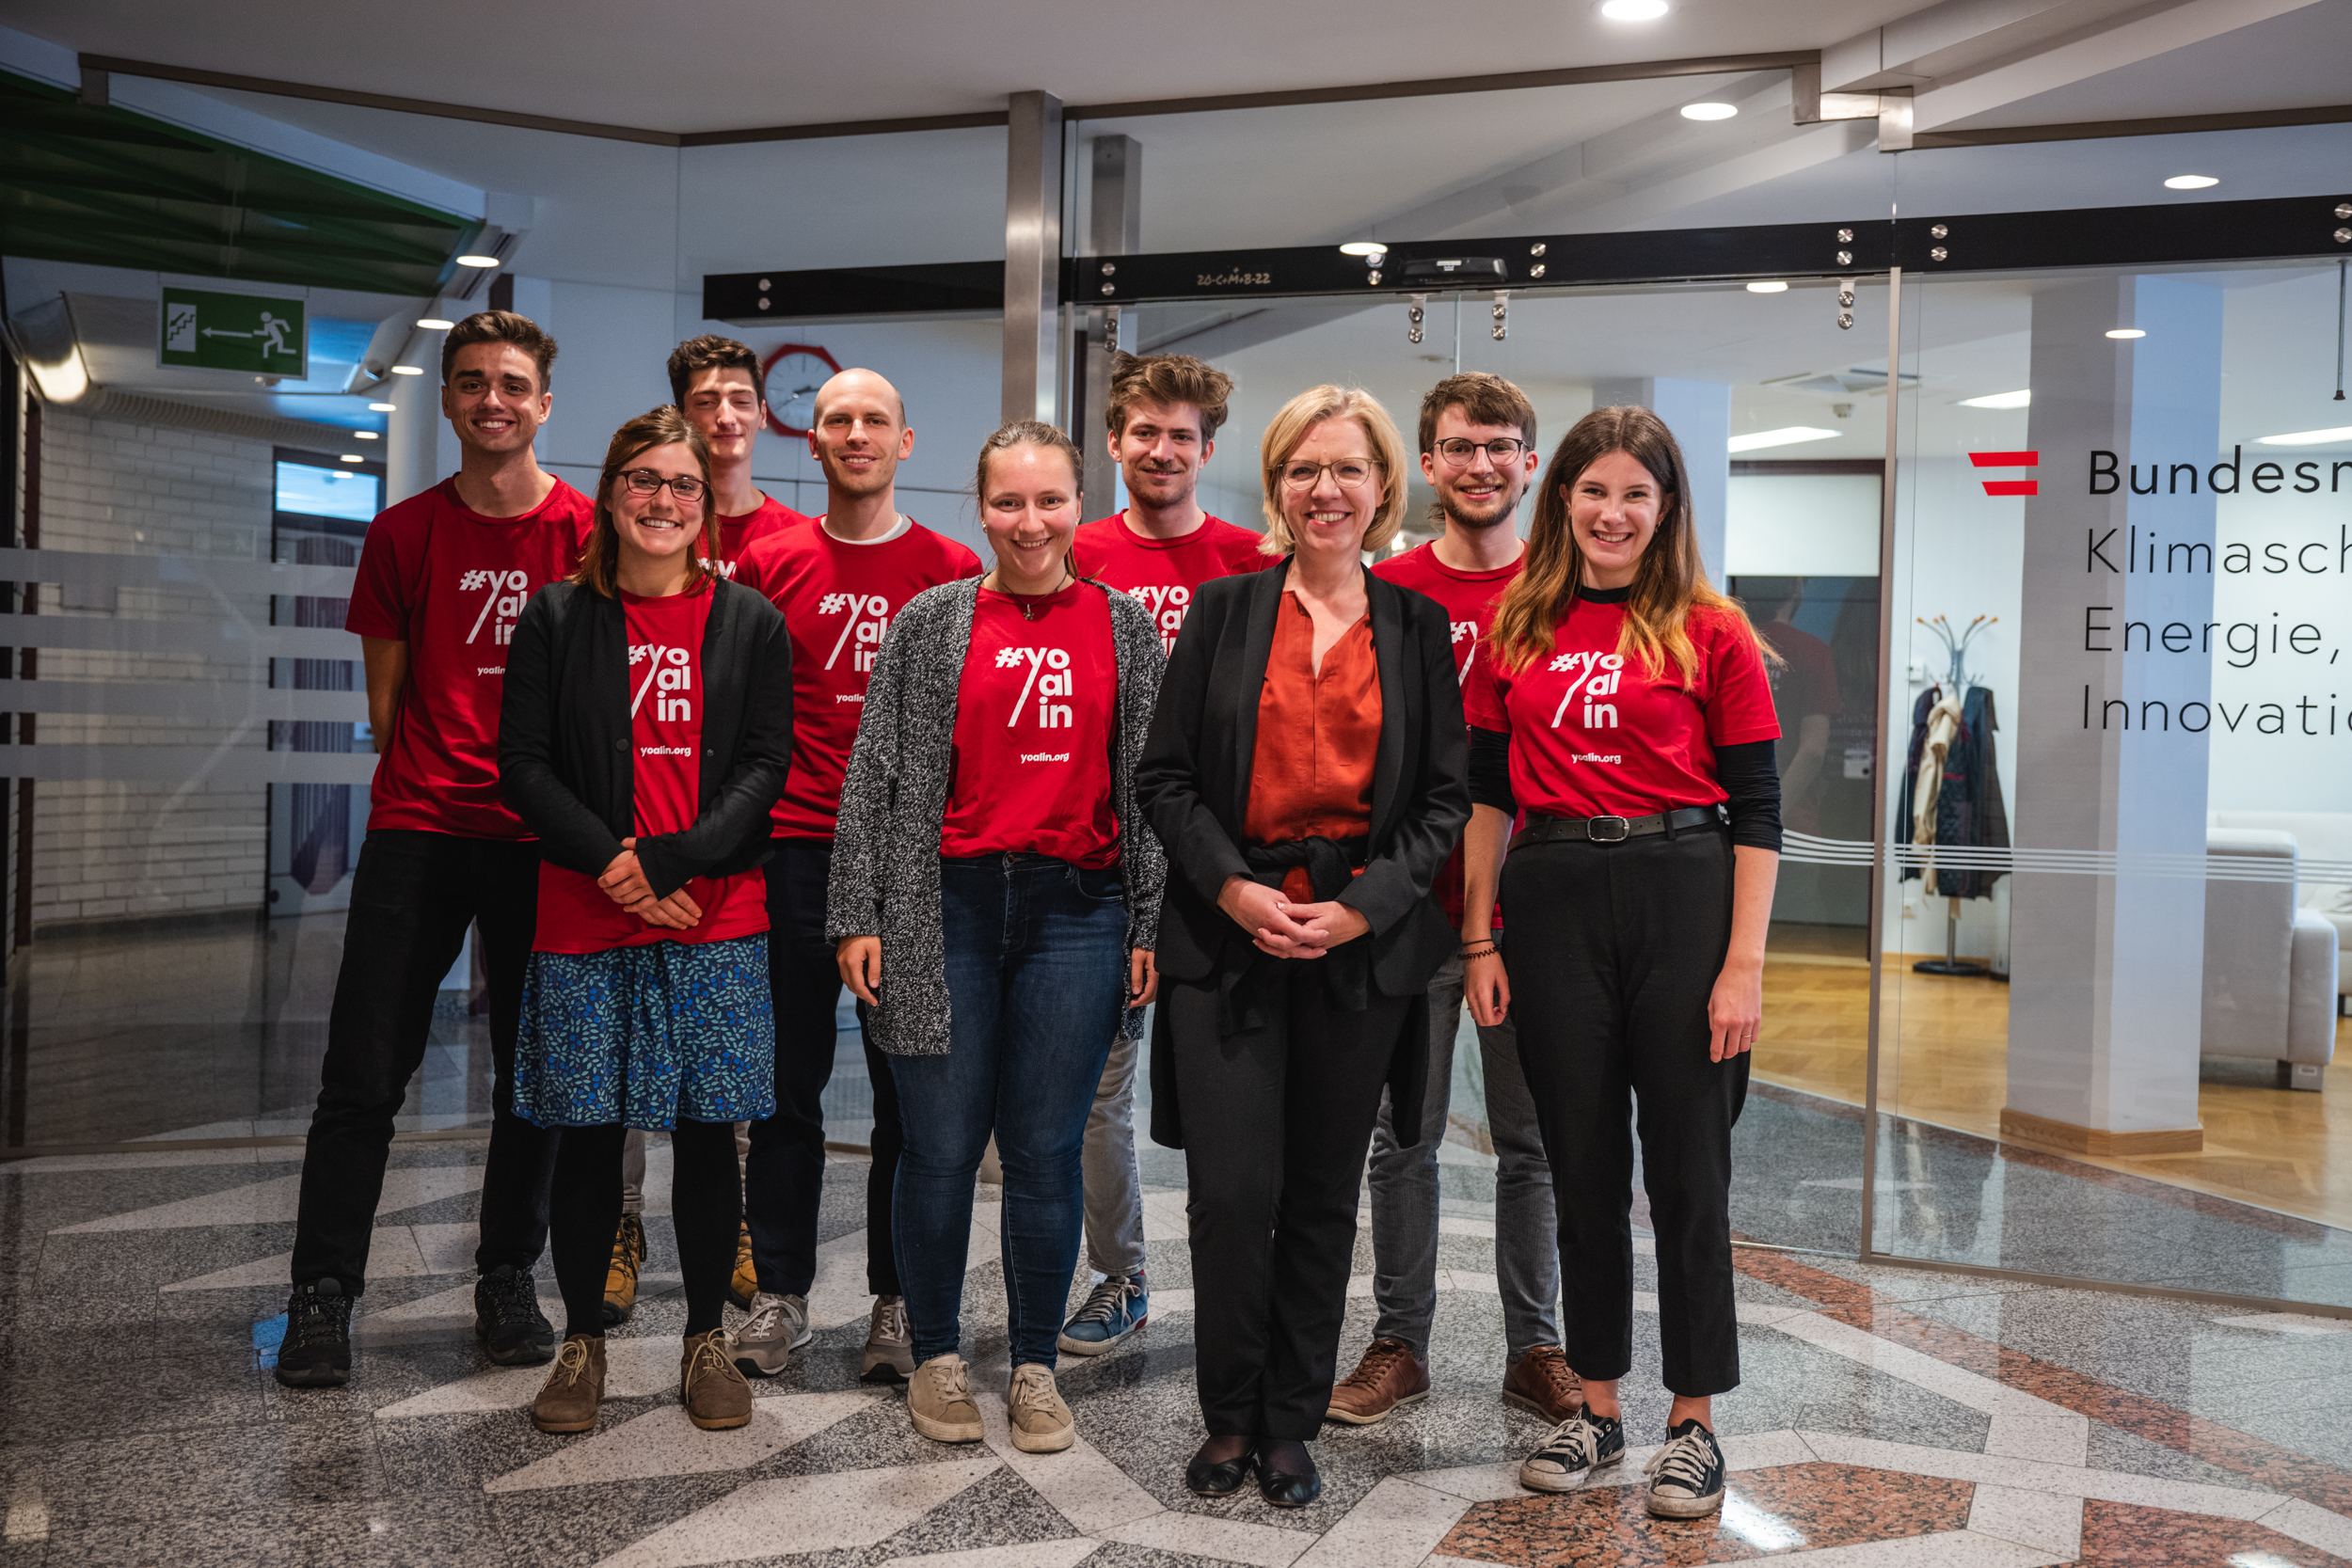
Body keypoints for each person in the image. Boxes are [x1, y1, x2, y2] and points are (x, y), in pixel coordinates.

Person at [1136, 386, 1469, 1507]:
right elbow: (1165, 779)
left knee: (1325, 1191)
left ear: (1384, 489)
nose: (1325, 490)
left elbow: (1439, 802)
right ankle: (1226, 1415)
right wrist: (1229, 889)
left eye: (1348, 469)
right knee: (1232, 1191)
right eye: (1303, 469)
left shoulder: (1416, 628)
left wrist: (1365, 905)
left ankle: (1289, 1419)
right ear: (1276, 484)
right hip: (1229, 939)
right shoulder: (1223, 612)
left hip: (1357, 947)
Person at [1458, 405, 1782, 1519]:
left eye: (1634, 493)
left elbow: (1759, 810)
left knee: (1689, 1171)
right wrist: (1476, 934)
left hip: (1682, 891)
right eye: (1592, 491)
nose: (1611, 512)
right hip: (1550, 898)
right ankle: (1595, 1405)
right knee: (1581, 1166)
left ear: (1665, 507)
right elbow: (1488, 796)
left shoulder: (1712, 628)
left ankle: (1692, 1421)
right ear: (1563, 501)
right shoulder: (1519, 624)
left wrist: (1741, 964)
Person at [829, 421, 1165, 1454]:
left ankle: (1030, 1362)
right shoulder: (931, 621)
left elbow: (1151, 790)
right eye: (1010, 502)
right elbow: (873, 774)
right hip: (944, 909)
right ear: (980, 508)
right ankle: (935, 1352)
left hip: (1079, 911)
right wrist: (857, 913)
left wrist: (1148, 921)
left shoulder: (1123, 627)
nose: (1031, 521)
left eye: (1051, 500)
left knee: (1045, 1149)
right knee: (935, 1147)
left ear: (1080, 503)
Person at [278, 310, 591, 1389]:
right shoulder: (404, 532)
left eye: (513, 383)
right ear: (450, 400)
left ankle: (507, 1278)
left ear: (545, 403)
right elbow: (387, 698)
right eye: (471, 383)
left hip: (543, 842)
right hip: (420, 826)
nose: (492, 399)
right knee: (363, 1075)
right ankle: (322, 1294)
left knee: (533, 1080)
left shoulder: (588, 536)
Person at [497, 405, 793, 1435]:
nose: (663, 500)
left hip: (714, 916)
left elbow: (765, 767)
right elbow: (522, 764)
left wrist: (671, 861)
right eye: (644, 480)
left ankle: (704, 1337)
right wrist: (615, 863)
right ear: (611, 494)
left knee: (712, 1133)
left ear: (704, 505)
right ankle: (582, 1339)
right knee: (587, 1133)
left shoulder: (748, 621)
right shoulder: (554, 617)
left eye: (682, 485)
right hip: (585, 916)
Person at [730, 371, 982, 1381]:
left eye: (874, 418)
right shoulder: (766, 557)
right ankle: (781, 1292)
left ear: (906, 441)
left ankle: (895, 1296)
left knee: (904, 1095)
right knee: (786, 1089)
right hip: (791, 844)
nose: (855, 432)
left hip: (907, 858)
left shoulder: (950, 567)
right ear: (816, 439)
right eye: (838, 419)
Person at [1333, 372, 1574, 1427]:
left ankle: (1538, 1346)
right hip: (1409, 909)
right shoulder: (1384, 593)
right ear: (1425, 463)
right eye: (1459, 446)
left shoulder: (1567, 591)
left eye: (1502, 445)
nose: (1481, 464)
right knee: (1405, 1141)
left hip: (1536, 918)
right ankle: (1400, 1343)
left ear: (1531, 462)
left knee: (1535, 1143)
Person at [599, 337, 813, 1329]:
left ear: (763, 415)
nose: (725, 415)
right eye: (705, 400)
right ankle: (618, 1222)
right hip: (622, 847)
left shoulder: (780, 543)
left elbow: (762, 728)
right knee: (620, 1047)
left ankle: (725, 1226)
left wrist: (700, 847)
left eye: (740, 399)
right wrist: (633, 858)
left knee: (725, 1058)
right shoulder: (635, 524)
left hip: (733, 844)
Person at [1060, 351, 1267, 1357]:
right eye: (1143, 432)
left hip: (1224, 860)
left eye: (1180, 435)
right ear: (1114, 441)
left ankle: (1259, 1286)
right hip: (1104, 853)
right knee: (1102, 1086)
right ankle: (1119, 1273)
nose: (1159, 449)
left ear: (1206, 449)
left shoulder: (1248, 559)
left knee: (1242, 1085)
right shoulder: (1077, 550)